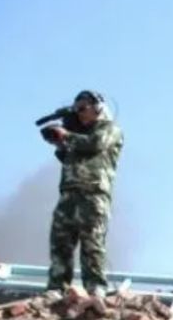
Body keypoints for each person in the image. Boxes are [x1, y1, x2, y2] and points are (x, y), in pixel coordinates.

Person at [41, 90, 123, 297]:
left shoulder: (109, 129)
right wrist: (61, 142)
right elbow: (67, 158)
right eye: (77, 109)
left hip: (93, 194)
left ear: (98, 108)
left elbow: (95, 144)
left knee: (92, 243)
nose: (79, 113)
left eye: (83, 108)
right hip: (69, 194)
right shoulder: (78, 136)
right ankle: (57, 287)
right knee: (60, 241)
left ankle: (95, 288)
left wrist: (66, 135)